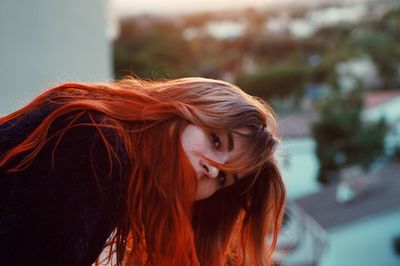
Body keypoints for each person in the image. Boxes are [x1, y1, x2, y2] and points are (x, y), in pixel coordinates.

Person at [0, 77, 286, 266]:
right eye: (216, 140)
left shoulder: (113, 159)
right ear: (181, 109)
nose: (213, 169)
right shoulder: (93, 141)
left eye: (224, 178)